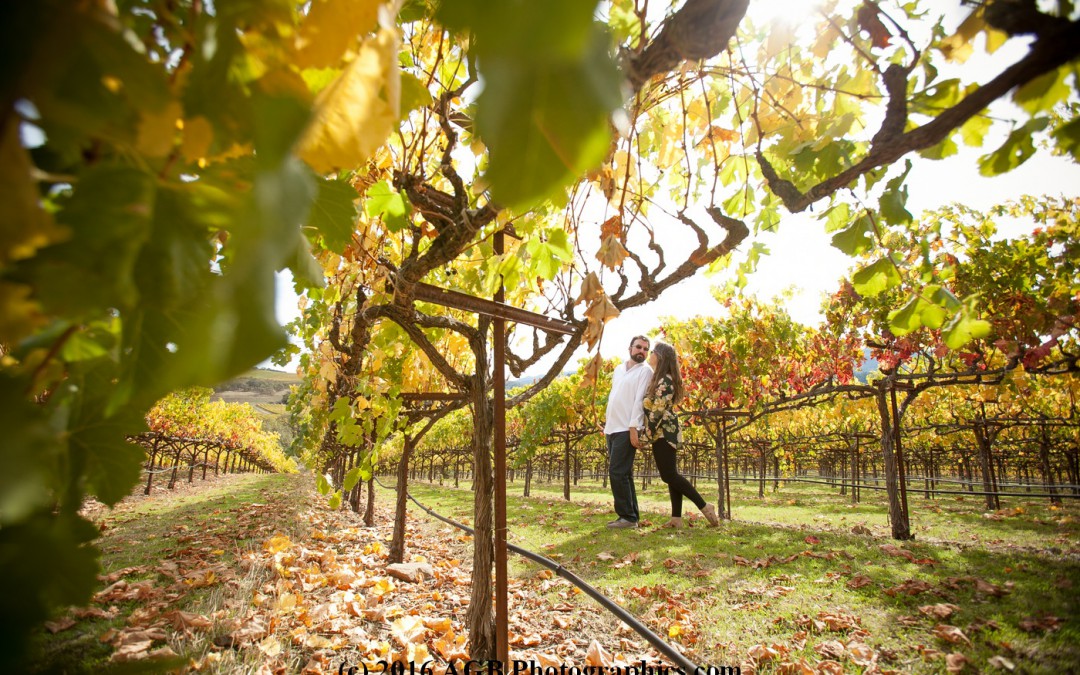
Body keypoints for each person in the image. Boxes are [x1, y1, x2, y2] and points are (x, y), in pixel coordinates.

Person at [643, 342, 720, 528]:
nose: (650, 354)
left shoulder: (665, 381)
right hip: (662, 432)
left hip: (664, 432)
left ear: (660, 357)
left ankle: (704, 505)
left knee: (669, 475)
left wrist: (646, 434)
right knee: (670, 475)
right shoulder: (660, 379)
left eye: (652, 351)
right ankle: (676, 519)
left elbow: (657, 411)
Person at [603, 335, 653, 529]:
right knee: (624, 474)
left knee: (616, 472)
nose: (641, 351)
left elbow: (640, 402)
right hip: (612, 427)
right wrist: (607, 424)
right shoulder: (618, 369)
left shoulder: (645, 371)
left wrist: (634, 428)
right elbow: (615, 397)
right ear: (630, 348)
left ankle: (627, 518)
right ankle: (631, 516)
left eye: (645, 349)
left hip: (626, 427)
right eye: (638, 347)